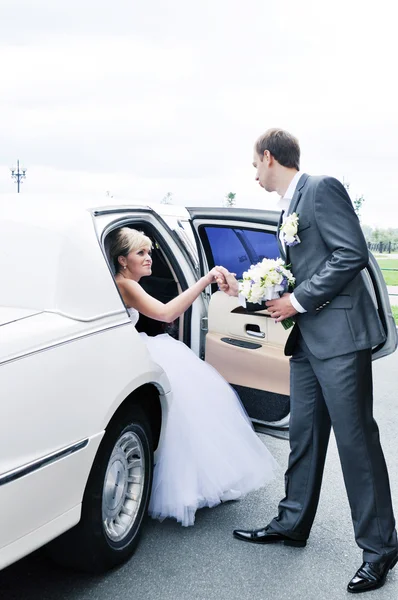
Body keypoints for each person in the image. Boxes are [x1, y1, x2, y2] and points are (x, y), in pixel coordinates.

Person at [217, 128, 397, 594]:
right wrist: (253, 293)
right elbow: (304, 271)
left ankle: (380, 549)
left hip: (340, 338)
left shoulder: (320, 189)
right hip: (308, 343)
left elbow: (351, 254)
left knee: (356, 444)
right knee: (303, 439)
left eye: (255, 164)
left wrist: (297, 302)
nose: (254, 174)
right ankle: (291, 523)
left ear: (270, 157)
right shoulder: (287, 209)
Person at [108, 226, 277, 527]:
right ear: (122, 260)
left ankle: (183, 483)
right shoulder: (126, 284)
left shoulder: (127, 281)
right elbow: (165, 314)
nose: (149, 259)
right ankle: (187, 485)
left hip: (142, 346)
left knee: (189, 412)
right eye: (141, 253)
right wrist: (204, 281)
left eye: (149, 252)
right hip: (138, 350)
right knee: (189, 411)